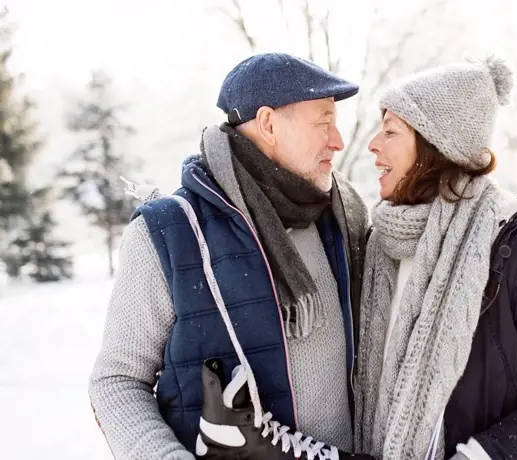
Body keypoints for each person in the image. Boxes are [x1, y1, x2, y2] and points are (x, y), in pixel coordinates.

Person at [89, 53, 372, 460]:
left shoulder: (340, 217)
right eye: (323, 123)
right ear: (269, 124)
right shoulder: (171, 232)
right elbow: (116, 381)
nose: (338, 141)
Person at [353, 57, 517, 460]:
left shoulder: (506, 250)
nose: (373, 143)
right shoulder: (377, 245)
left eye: (390, 131)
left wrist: (484, 455)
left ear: (434, 146)